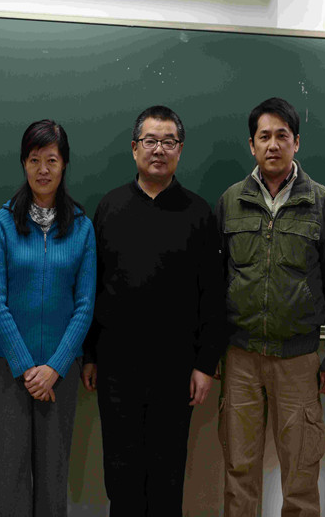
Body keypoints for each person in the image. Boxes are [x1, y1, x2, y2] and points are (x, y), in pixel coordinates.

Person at [82, 105, 226, 516]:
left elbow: (213, 295)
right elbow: (92, 288)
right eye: (150, 141)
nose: (159, 149)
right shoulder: (109, 207)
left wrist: (205, 363)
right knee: (121, 474)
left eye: (168, 141)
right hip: (116, 368)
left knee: (167, 475)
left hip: (174, 371)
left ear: (180, 149)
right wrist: (90, 354)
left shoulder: (198, 213)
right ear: (134, 148)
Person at [216, 97, 325, 517]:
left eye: (282, 136)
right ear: (252, 145)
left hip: (298, 360)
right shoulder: (230, 201)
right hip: (240, 359)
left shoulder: (322, 203)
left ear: (297, 142)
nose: (273, 144)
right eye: (264, 136)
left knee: (300, 475)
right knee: (239, 470)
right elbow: (214, 282)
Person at [0, 119, 96, 516]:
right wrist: (27, 367)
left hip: (59, 373)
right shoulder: (1, 223)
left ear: (64, 165)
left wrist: (54, 368)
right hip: (6, 367)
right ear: (23, 163)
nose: (42, 169)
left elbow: (85, 305)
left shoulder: (82, 227)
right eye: (34, 160)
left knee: (52, 476)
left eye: (51, 160)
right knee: (5, 476)